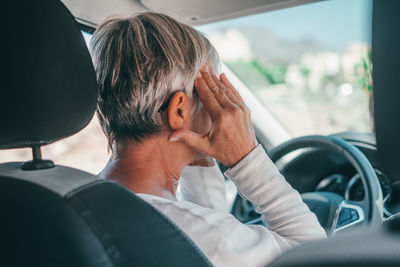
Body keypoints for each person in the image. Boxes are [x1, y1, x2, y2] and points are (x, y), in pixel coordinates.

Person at [90, 12, 326, 266]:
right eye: (212, 95)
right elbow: (314, 256)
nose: (222, 111)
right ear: (179, 109)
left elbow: (202, 220)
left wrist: (194, 152)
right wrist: (247, 157)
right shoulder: (209, 239)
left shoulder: (74, 198)